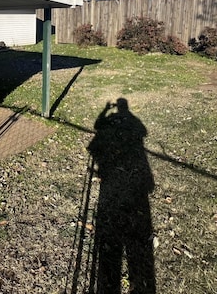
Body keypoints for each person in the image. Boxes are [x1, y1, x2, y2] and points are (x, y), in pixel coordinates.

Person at [88, 98, 156, 294]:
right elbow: (143, 132)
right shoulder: (134, 122)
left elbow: (97, 125)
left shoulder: (121, 120)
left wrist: (104, 111)